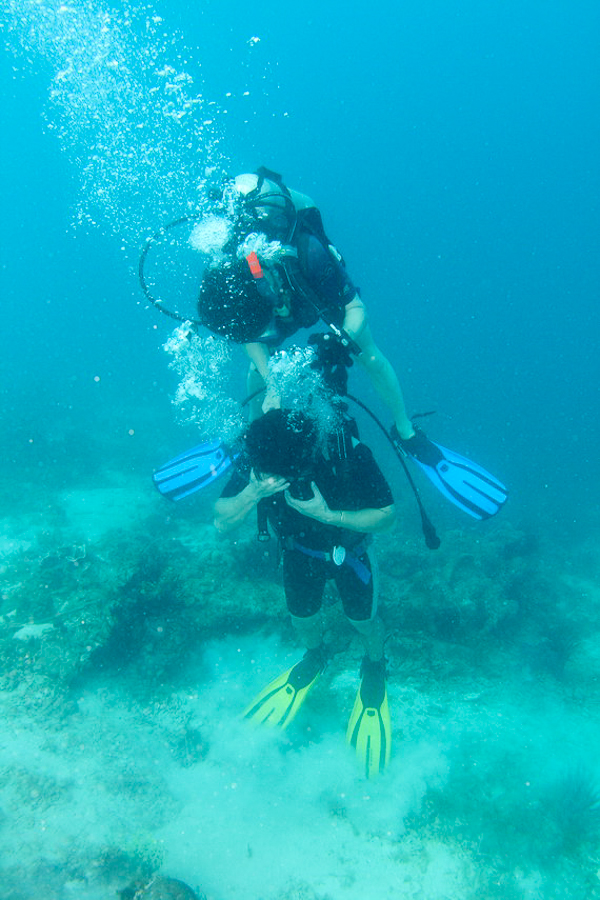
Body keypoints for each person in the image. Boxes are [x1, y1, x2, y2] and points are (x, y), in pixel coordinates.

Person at [213, 407, 396, 778]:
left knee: (363, 619)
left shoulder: (348, 451)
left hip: (352, 552)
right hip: (299, 553)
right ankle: (317, 654)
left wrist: (328, 515)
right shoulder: (258, 453)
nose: (269, 477)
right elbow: (220, 521)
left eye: (278, 474)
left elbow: (387, 516)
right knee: (302, 619)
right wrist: (252, 492)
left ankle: (374, 663)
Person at [198, 166, 416, 442]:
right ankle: (252, 432)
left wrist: (343, 341)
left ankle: (405, 429)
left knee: (368, 354)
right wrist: (273, 384)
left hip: (306, 287)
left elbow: (355, 308)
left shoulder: (310, 254)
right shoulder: (232, 277)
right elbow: (247, 334)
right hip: (269, 298)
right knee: (258, 370)